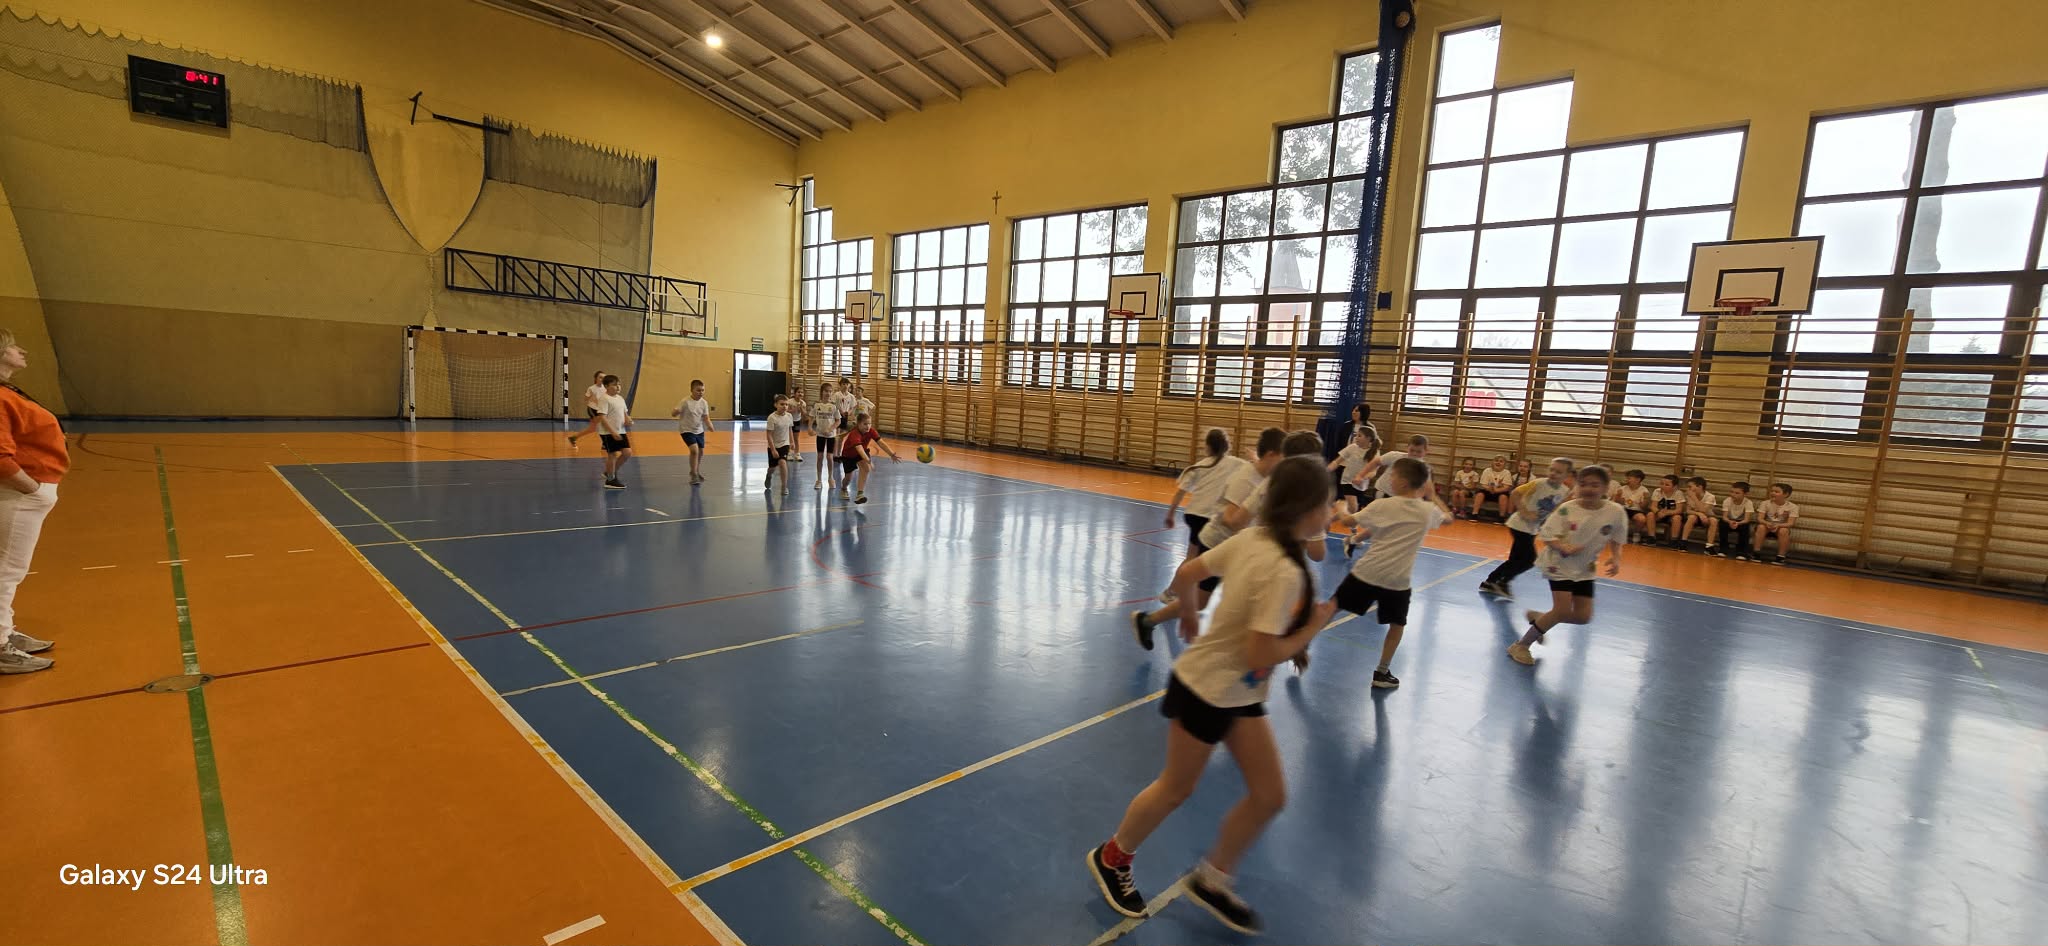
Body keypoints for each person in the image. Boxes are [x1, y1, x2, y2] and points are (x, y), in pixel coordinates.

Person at [1087, 456, 1338, 935]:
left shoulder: (1256, 538)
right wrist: (1310, 631)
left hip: (1237, 693)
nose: (1331, 512)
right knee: (1175, 788)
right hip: (1207, 689)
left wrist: (1188, 613)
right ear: (1306, 509)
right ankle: (1112, 857)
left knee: (1269, 795)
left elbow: (1189, 573)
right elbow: (1259, 651)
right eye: (1327, 504)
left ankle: (1212, 878)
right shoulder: (1280, 568)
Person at [1132, 429, 1286, 645]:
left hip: (1234, 546)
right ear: (1271, 455)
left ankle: (1148, 620)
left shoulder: (1263, 476)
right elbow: (1231, 519)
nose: (1284, 464)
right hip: (1218, 542)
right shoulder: (1245, 479)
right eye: (1283, 457)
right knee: (1224, 596)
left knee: (1205, 600)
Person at [1332, 457, 1450, 689]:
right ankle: (1382, 672)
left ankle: (1301, 643)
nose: (1389, 479)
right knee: (1397, 626)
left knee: (1332, 607)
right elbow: (1448, 519)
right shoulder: (1428, 511)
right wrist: (1433, 495)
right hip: (1397, 580)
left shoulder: (1381, 506)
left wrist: (1341, 507)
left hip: (1368, 572)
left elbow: (1347, 521)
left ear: (1403, 482)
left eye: (1392, 476)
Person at [1509, 465, 1628, 666]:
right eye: (1583, 484)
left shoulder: (1615, 511)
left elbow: (1617, 537)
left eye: (1595, 485)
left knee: (1583, 616)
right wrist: (1562, 546)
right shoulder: (1567, 509)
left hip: (1585, 568)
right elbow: (1546, 534)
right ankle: (1521, 645)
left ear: (1606, 487)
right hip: (1558, 564)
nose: (1588, 489)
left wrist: (1616, 558)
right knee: (1562, 610)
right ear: (1577, 486)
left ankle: (1541, 618)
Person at [0, 329, 64, 674]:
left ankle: (4, 630)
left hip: (26, 495)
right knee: (7, 571)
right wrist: (32, 489)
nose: (20, 350)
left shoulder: (7, 392)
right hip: (17, 496)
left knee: (9, 569)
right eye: (12, 346)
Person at [1478, 457, 1575, 597]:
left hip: (1532, 529)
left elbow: (1556, 510)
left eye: (1558, 472)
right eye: (1552, 470)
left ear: (1566, 475)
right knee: (1529, 560)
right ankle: (1499, 581)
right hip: (1519, 525)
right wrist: (1525, 512)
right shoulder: (1539, 483)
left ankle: (1494, 582)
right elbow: (1515, 493)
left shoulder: (1564, 491)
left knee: (1516, 559)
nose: (1553, 473)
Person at [1164, 429, 1248, 563]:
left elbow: (1180, 492)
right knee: (1210, 559)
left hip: (1193, 515)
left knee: (1191, 556)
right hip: (1210, 517)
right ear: (1226, 445)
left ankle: (1184, 576)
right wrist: (1255, 457)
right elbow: (1255, 469)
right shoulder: (1235, 463)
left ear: (1208, 446)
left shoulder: (1198, 466)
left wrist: (1170, 515)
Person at [836, 412, 899, 504]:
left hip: (861, 452)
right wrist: (868, 461)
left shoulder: (871, 431)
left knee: (866, 468)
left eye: (869, 423)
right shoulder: (854, 434)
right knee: (848, 478)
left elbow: (881, 443)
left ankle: (860, 494)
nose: (868, 426)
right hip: (849, 455)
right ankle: (844, 488)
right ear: (858, 424)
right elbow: (859, 449)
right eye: (865, 424)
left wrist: (891, 454)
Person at [670, 379, 713, 485]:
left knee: (701, 452)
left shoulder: (704, 403)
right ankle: (693, 474)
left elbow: (706, 417)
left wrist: (709, 425)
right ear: (692, 390)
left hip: (699, 430)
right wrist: (676, 412)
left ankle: (695, 470)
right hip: (686, 430)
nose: (701, 392)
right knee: (694, 450)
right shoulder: (685, 401)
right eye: (698, 390)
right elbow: (673, 413)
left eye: (702, 390)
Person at [1328, 427, 1374, 517]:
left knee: (1353, 510)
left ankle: (1332, 519)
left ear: (1368, 438)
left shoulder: (1373, 452)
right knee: (1353, 508)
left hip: (1361, 485)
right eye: (1356, 435)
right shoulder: (1352, 447)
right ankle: (1339, 507)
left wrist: (1362, 478)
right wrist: (1326, 470)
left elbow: (1373, 472)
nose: (1356, 438)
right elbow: (1337, 462)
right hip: (1347, 481)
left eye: (1359, 436)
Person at [1709, 481, 1756, 559]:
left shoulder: (1748, 503)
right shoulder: (1727, 501)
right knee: (1722, 523)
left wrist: (1738, 523)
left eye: (1737, 493)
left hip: (1741, 522)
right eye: (1732, 492)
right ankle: (1723, 549)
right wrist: (1730, 522)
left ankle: (1741, 551)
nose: (1733, 494)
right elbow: (1724, 517)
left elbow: (1747, 519)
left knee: (1745, 527)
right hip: (1729, 521)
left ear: (1745, 494)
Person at [1754, 483, 1799, 565]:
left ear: (1785, 494)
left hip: (1781, 527)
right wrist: (1767, 523)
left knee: (1784, 531)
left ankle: (1780, 557)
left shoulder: (1793, 507)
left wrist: (1778, 525)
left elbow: (1790, 523)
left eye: (1776, 492)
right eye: (1772, 491)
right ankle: (1756, 553)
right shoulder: (1765, 503)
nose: (1773, 493)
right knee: (1761, 527)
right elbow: (1760, 518)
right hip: (1767, 525)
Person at [810, 382, 843, 492]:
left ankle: (830, 478)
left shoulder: (833, 406)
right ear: (821, 392)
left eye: (830, 391)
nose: (828, 393)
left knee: (829, 457)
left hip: (830, 436)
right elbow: (811, 417)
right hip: (820, 435)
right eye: (826, 391)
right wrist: (810, 428)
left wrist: (830, 428)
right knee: (820, 457)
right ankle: (819, 479)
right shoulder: (816, 405)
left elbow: (838, 421)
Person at [765, 395, 796, 493]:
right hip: (773, 446)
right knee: (772, 468)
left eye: (786, 404)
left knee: (783, 463)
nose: (784, 406)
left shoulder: (789, 416)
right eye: (782, 404)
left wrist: (792, 441)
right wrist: (773, 449)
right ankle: (769, 475)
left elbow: (790, 429)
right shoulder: (772, 418)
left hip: (784, 444)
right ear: (776, 405)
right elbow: (769, 435)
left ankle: (784, 486)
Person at [567, 369, 607, 447]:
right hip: (593, 410)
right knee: (603, 425)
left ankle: (573, 438)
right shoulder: (591, 388)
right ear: (596, 378)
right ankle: (605, 444)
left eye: (604, 378)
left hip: (601, 409)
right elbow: (586, 399)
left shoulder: (605, 388)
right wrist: (593, 400)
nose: (602, 379)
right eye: (600, 377)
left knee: (592, 429)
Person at [1675, 476, 1716, 550]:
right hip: (1695, 516)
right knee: (1692, 517)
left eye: (1690, 487)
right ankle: (1683, 542)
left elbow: (1703, 510)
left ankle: (1709, 546)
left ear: (1700, 487)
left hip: (1707, 517)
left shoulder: (1710, 497)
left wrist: (1694, 498)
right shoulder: (1689, 496)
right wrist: (1699, 514)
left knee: (1714, 521)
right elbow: (1688, 511)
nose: (1688, 489)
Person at [1613, 469, 1651, 543]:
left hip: (1636, 510)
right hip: (1624, 509)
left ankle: (1636, 533)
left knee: (1641, 519)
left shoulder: (1644, 490)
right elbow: (1618, 502)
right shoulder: (1622, 488)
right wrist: (1618, 496)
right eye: (1627, 478)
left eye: (1629, 478)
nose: (1627, 480)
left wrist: (1646, 499)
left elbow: (1643, 507)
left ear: (1638, 480)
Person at [1648, 474, 1685, 546]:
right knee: (1650, 515)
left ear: (1674, 487)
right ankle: (1651, 538)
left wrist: (1667, 513)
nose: (1663, 486)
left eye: (1667, 485)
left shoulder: (1678, 493)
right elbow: (1653, 506)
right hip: (1660, 514)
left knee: (1677, 518)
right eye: (1662, 484)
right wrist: (1658, 512)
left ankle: (1674, 540)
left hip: (1672, 515)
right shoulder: (1657, 491)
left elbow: (1679, 510)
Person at [1474, 455, 1514, 520]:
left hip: (1500, 492)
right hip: (1488, 491)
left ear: (1504, 464)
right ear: (1492, 462)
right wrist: (1490, 489)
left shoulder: (1507, 472)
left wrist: (1495, 490)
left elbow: (1506, 487)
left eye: (1501, 461)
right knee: (1479, 494)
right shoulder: (1487, 470)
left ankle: (1501, 517)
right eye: (1496, 461)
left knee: (1503, 497)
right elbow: (1483, 484)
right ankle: (1474, 514)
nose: (1498, 462)